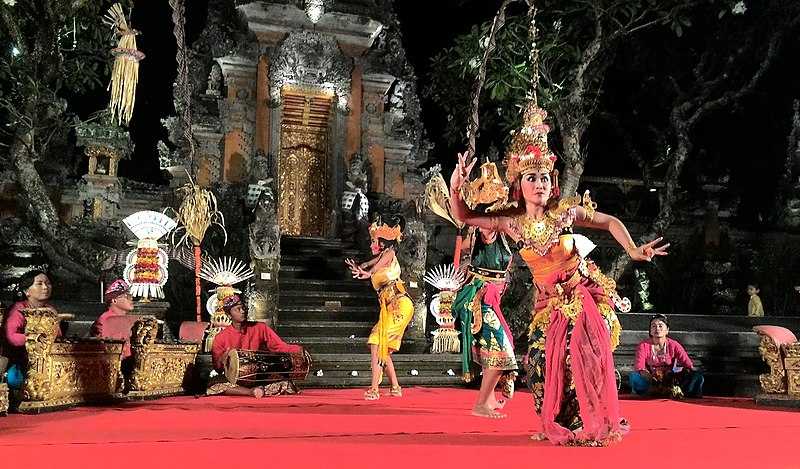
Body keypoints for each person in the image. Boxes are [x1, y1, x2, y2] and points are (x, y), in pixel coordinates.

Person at [449, 102, 668, 446]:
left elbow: (608, 221)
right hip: (548, 306)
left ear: (553, 184)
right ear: (519, 183)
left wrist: (633, 250)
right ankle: (556, 420)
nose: (539, 183)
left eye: (545, 178)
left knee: (582, 352)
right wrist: (456, 183)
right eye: (531, 177)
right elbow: (463, 214)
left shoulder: (564, 213)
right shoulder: (510, 221)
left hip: (584, 297)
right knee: (537, 359)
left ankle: (591, 418)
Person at [345, 215, 413, 401]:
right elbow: (370, 264)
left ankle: (374, 388)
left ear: (383, 242)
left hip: (400, 304)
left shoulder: (390, 253)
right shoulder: (383, 255)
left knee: (376, 342)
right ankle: (395, 387)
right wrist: (360, 267)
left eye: (374, 240)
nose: (372, 244)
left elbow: (375, 269)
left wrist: (366, 273)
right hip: (389, 307)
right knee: (382, 347)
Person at [452, 226, 518, 418]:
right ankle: (480, 404)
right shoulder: (484, 233)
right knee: (502, 351)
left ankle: (488, 399)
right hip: (478, 300)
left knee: (492, 349)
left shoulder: (503, 235)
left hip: (492, 299)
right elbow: (464, 247)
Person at [208, 294, 303, 398]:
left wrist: (298, 349)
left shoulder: (260, 328)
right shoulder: (220, 337)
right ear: (229, 314)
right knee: (214, 384)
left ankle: (252, 390)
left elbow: (278, 346)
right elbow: (217, 368)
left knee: (287, 384)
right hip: (235, 381)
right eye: (238, 309)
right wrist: (223, 358)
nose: (243, 311)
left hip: (258, 377)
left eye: (243, 308)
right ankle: (251, 392)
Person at [0, 270, 59, 389]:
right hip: (17, 359)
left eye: (48, 283)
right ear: (27, 291)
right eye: (39, 283)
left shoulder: (50, 310)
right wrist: (34, 339)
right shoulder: (19, 309)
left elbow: (57, 335)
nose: (45, 287)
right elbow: (12, 337)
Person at [629, 314, 703, 398]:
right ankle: (655, 391)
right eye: (653, 326)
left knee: (697, 376)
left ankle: (674, 391)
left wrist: (680, 376)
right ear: (650, 331)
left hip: (670, 380)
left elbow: (688, 365)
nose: (657, 329)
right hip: (651, 380)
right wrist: (654, 379)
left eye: (660, 326)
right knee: (634, 377)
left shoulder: (674, 345)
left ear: (667, 330)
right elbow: (640, 368)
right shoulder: (643, 346)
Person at [91, 279, 136, 359]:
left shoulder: (124, 319)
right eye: (127, 296)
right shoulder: (105, 320)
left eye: (131, 296)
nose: (131, 299)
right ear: (114, 300)